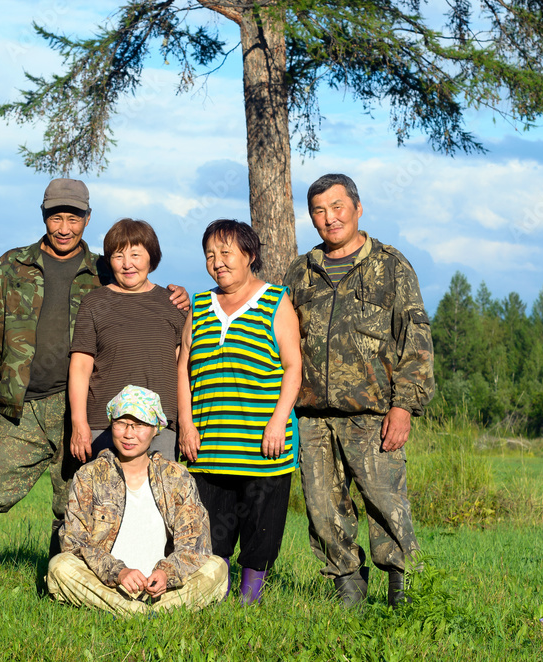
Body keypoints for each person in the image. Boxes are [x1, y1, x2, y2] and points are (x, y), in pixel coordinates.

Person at [0, 179, 187, 598]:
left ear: (87, 219)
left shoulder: (102, 268)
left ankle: (58, 591)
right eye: (56, 217)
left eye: (73, 218)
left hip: (89, 406)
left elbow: (140, 291)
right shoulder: (12, 266)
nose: (64, 227)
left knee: (76, 507)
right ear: (44, 217)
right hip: (21, 406)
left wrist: (178, 294)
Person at [282, 173, 435, 608]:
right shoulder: (300, 271)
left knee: (387, 505)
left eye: (336, 207)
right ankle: (347, 589)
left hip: (373, 414)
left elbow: (416, 340)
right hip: (311, 417)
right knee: (322, 510)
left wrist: (404, 406)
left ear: (357, 207)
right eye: (318, 211)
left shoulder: (391, 265)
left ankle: (401, 590)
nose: (328, 218)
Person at [177, 219, 302, 605]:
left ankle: (250, 602)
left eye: (226, 252)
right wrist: (186, 424)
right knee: (211, 530)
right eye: (210, 255)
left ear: (249, 255)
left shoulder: (275, 301)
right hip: (209, 443)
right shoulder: (198, 305)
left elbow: (294, 367)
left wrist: (278, 420)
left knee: (261, 527)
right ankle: (217, 595)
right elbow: (182, 366)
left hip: (263, 441)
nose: (218, 262)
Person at [47, 385, 227, 615]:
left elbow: (194, 544)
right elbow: (75, 544)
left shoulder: (177, 477)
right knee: (59, 566)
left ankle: (146, 610)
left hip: (163, 588)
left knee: (217, 567)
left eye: (140, 424)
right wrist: (118, 572)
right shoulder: (89, 476)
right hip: (109, 584)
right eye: (121, 423)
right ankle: (140, 612)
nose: (129, 433)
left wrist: (166, 573)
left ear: (156, 429)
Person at [68, 218, 187, 464]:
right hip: (106, 427)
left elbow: (183, 370)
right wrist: (79, 423)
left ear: (151, 258)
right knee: (105, 500)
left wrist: (186, 424)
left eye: (135, 254)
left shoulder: (173, 304)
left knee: (158, 499)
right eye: (118, 256)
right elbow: (80, 368)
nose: (127, 264)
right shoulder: (93, 304)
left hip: (161, 427)